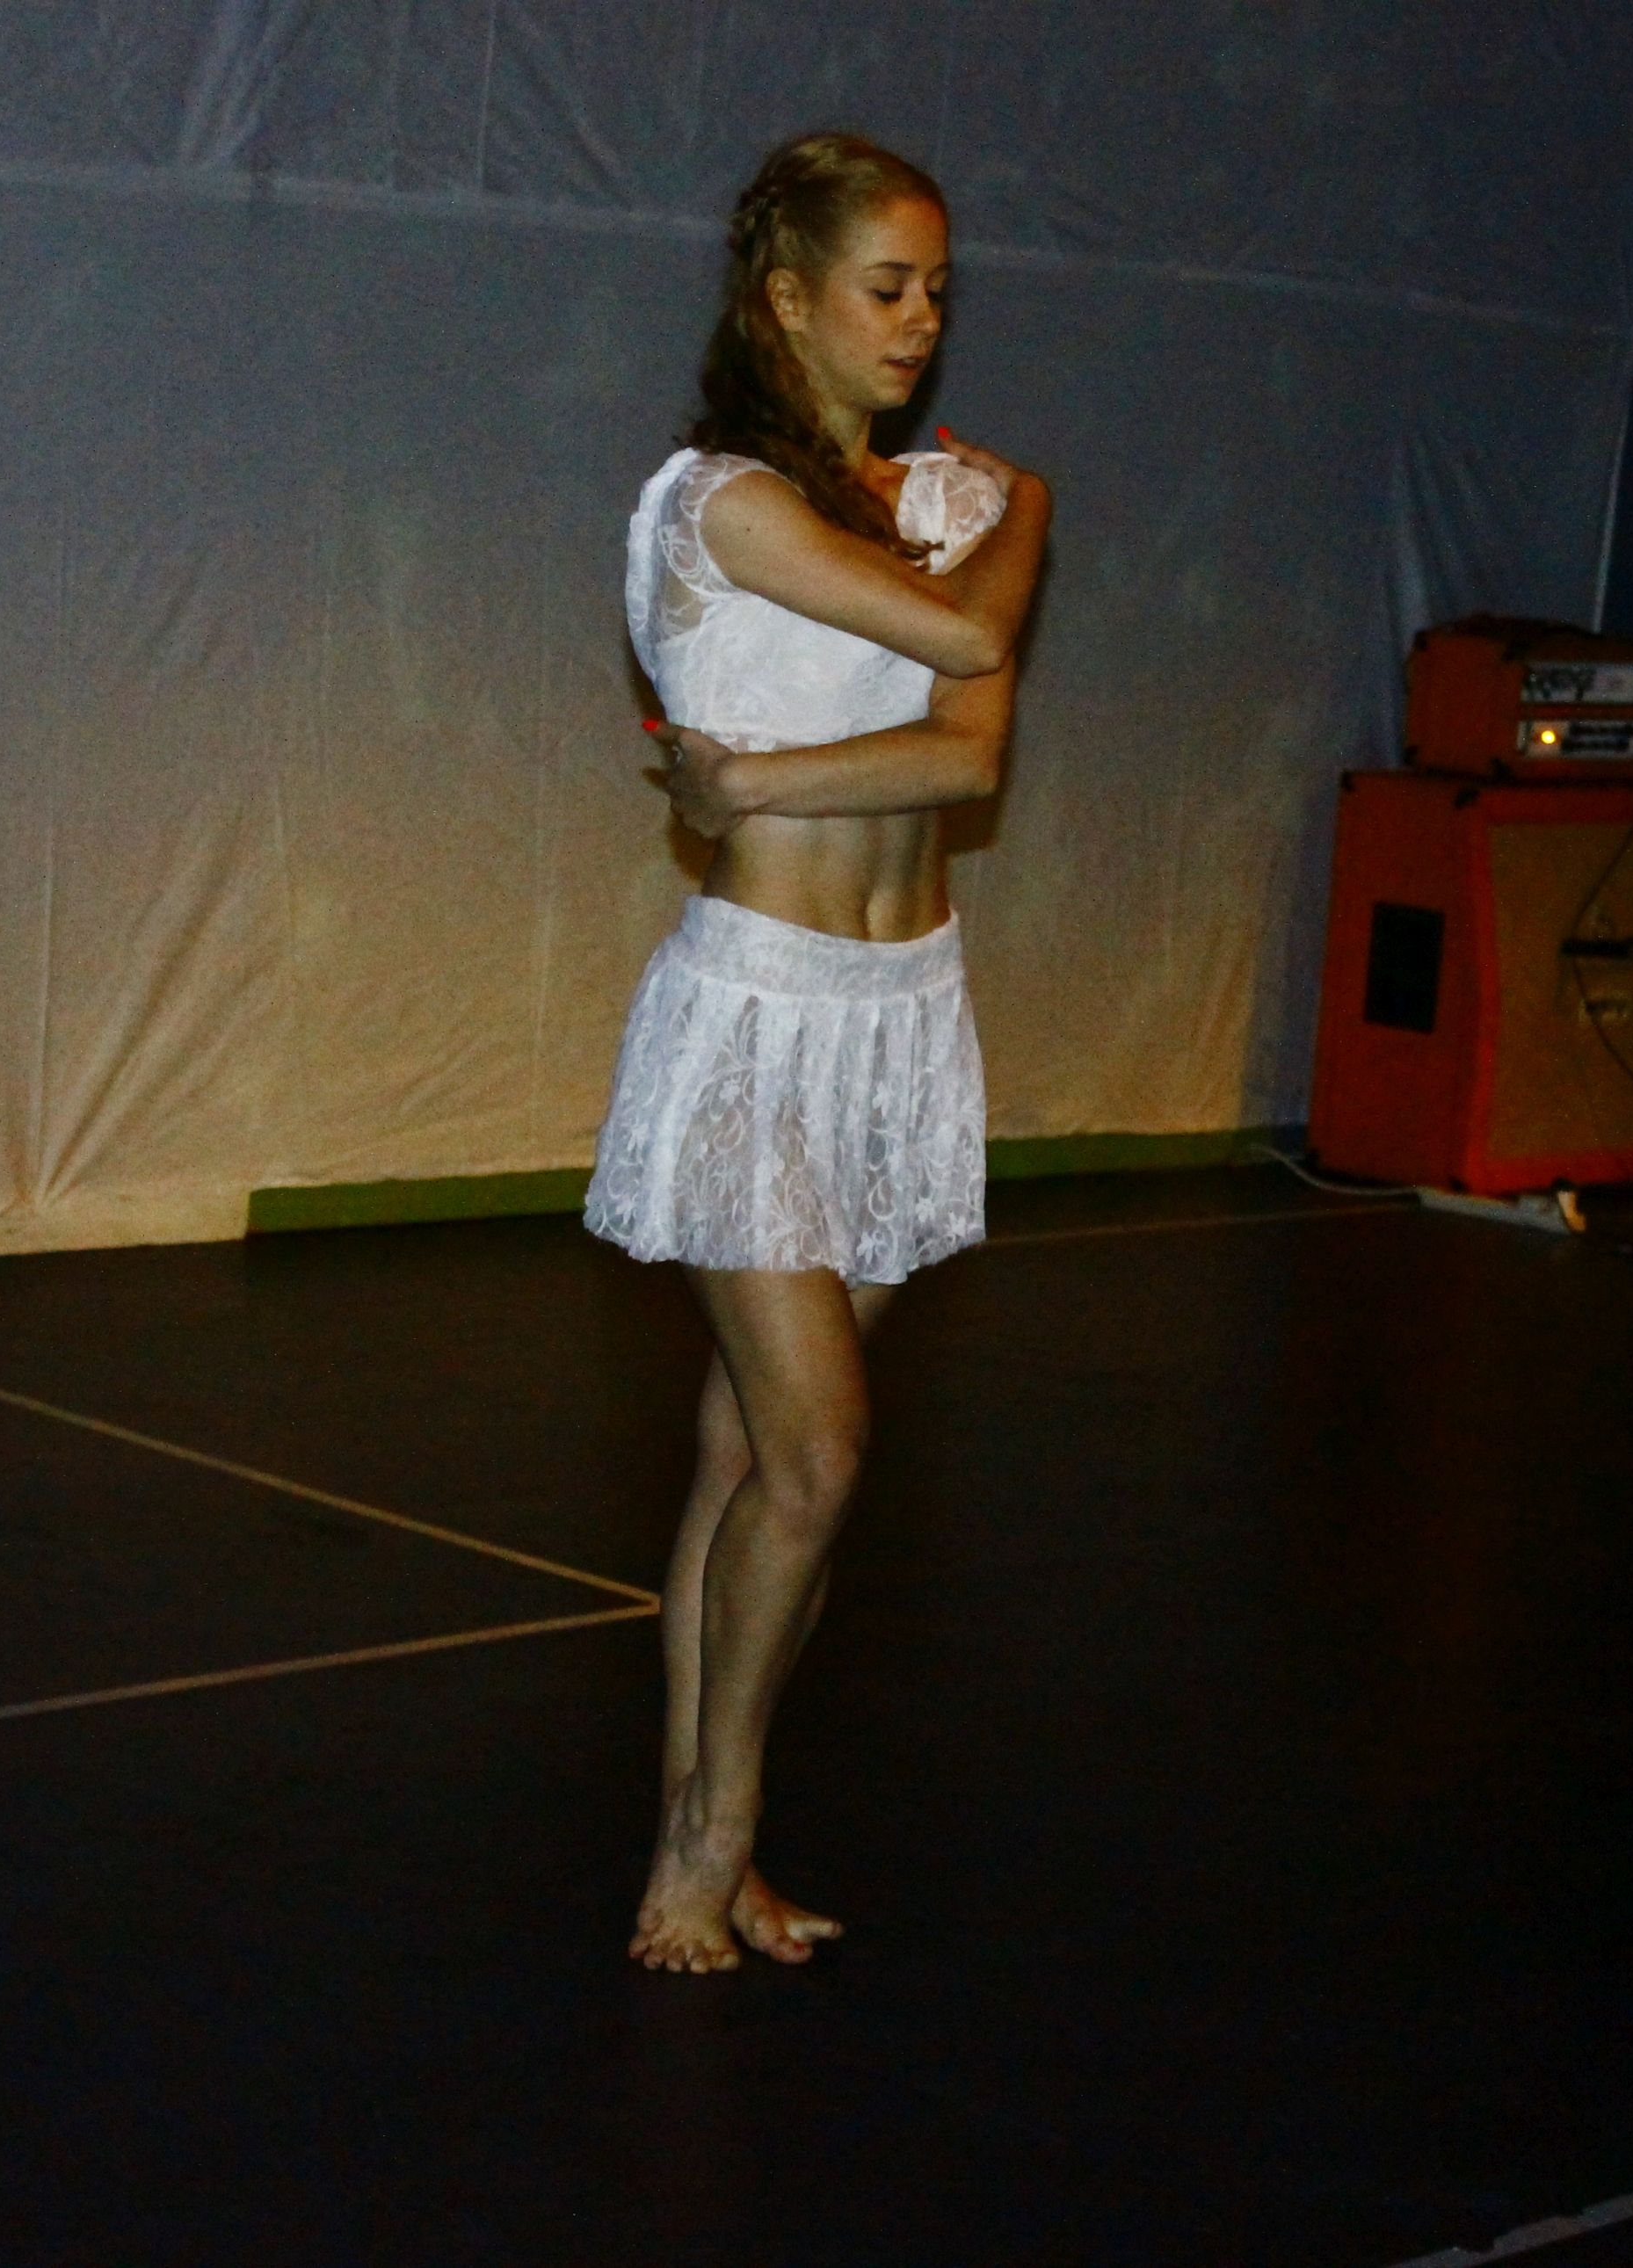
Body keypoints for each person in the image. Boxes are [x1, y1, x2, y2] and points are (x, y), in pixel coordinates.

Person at [584, 131, 1052, 1974]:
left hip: (902, 1017)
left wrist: (759, 779)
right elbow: (960, 642)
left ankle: (712, 1835)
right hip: (758, 1011)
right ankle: (706, 1846)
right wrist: (1010, 536)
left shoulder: (956, 499)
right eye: (887, 286)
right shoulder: (719, 506)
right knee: (818, 1456)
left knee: (744, 1465)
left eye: (939, 289)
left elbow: (971, 750)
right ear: (786, 299)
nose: (922, 321)